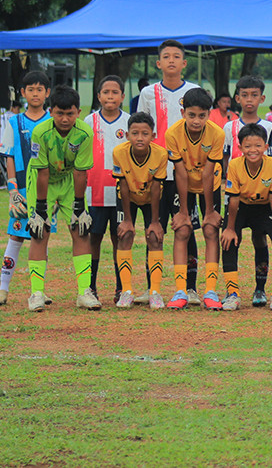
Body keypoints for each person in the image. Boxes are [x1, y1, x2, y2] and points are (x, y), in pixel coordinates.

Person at [135, 40, 202, 305]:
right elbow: (141, 130)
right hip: (157, 173)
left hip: (187, 173)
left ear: (184, 63)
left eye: (177, 56)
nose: (171, 60)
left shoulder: (195, 91)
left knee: (186, 228)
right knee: (154, 228)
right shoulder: (148, 93)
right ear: (158, 63)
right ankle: (153, 289)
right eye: (166, 56)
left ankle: (191, 287)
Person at [24, 85, 96, 311]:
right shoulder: (40, 132)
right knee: (40, 231)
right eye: (59, 113)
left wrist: (78, 206)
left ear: (78, 112)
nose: (65, 119)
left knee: (80, 229)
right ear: (50, 111)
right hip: (41, 180)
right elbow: (42, 172)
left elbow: (80, 172)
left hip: (69, 180)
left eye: (70, 114)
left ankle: (84, 292)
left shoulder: (85, 133)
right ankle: (36, 293)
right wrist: (41, 209)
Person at [0, 71, 52, 308]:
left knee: (41, 238)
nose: (35, 94)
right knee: (15, 236)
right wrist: (13, 190)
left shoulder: (52, 121)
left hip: (47, 191)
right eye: (30, 89)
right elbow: (9, 158)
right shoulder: (14, 122)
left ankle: (39, 290)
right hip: (23, 190)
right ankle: (2, 289)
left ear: (47, 93)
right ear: (23, 93)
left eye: (40, 89)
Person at [164, 88, 225, 310]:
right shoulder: (172, 134)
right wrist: (182, 212)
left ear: (209, 114)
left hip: (211, 185)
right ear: (183, 113)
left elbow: (209, 173)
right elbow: (179, 172)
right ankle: (181, 291)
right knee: (182, 230)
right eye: (191, 115)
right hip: (185, 185)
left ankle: (210, 290)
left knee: (210, 229)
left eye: (202, 115)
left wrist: (209, 211)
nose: (196, 121)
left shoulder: (217, 134)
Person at [223, 76, 272, 306]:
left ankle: (260, 289)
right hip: (237, 195)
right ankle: (232, 293)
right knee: (230, 239)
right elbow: (225, 159)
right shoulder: (229, 127)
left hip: (263, 197)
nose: (249, 99)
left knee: (260, 240)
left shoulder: (270, 127)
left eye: (254, 95)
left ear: (262, 98)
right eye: (244, 95)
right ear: (237, 98)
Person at [220, 123, 272, 311]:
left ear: (266, 147)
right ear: (240, 147)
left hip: (264, 207)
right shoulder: (234, 164)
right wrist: (230, 228)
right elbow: (232, 199)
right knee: (228, 241)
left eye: (258, 146)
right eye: (248, 146)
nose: (253, 150)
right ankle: (232, 293)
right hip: (240, 208)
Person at [111, 112, 168, 308]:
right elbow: (123, 185)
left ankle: (155, 292)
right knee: (125, 235)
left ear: (153, 136)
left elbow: (155, 187)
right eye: (135, 133)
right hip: (128, 197)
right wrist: (127, 219)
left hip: (152, 198)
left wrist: (154, 221)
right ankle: (126, 291)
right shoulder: (119, 152)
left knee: (154, 237)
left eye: (145, 133)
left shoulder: (161, 154)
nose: (140, 138)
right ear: (127, 135)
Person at [85, 75, 131, 303]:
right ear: (98, 96)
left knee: (119, 236)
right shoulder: (88, 121)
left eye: (115, 92)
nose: (110, 96)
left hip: (122, 191)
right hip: (94, 189)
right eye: (106, 92)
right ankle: (90, 287)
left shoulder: (129, 122)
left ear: (122, 97)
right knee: (94, 237)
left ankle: (121, 287)